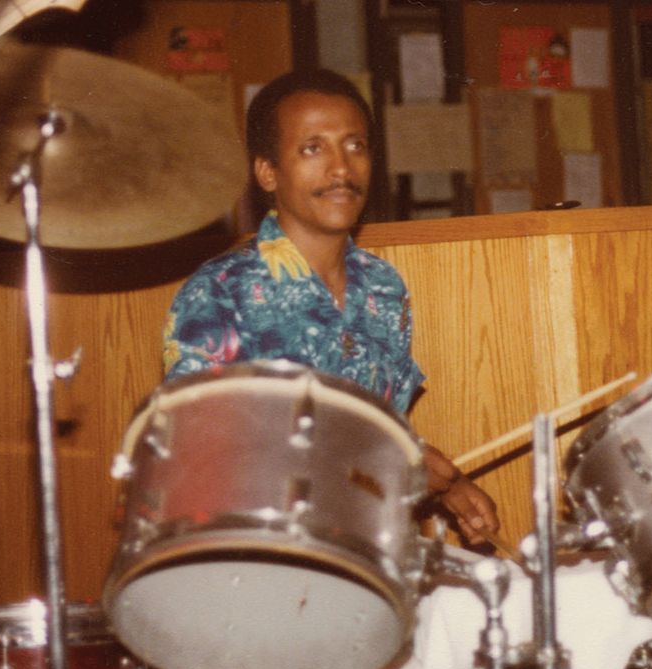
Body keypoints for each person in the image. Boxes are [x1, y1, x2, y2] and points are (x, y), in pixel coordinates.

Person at [162, 68, 499, 545]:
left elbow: (380, 431)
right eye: (312, 148)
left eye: (355, 146)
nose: (341, 168)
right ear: (267, 172)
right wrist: (387, 464)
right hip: (260, 561)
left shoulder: (385, 289)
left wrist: (449, 487)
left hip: (371, 553)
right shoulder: (217, 292)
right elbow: (197, 456)